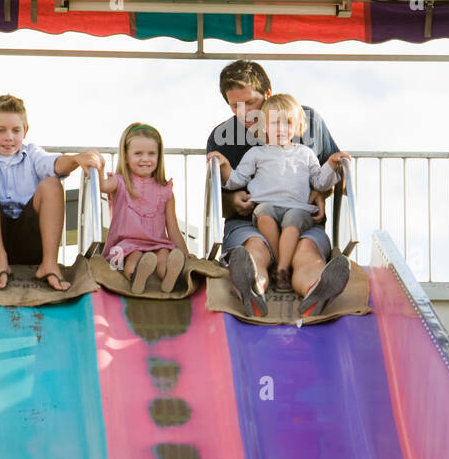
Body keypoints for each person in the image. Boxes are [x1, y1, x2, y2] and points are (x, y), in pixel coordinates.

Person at [205, 60, 352, 318]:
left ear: (268, 94)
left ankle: (316, 289)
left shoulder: (308, 121)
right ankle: (253, 287)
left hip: (301, 218)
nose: (244, 112)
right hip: (251, 221)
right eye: (235, 105)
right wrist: (233, 201)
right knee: (254, 250)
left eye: (250, 102)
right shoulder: (221, 136)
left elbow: (334, 176)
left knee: (306, 254)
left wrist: (321, 192)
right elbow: (218, 195)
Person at [0, 94, 103, 292]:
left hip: (27, 244)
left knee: (52, 184)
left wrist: (76, 159)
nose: (9, 136)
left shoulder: (33, 154)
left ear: (25, 131)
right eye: (1, 130)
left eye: (15, 130)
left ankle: (49, 264)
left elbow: (53, 164)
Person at [101, 123, 189, 295]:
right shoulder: (120, 183)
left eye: (151, 154)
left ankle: (169, 279)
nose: (145, 159)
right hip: (126, 245)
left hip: (157, 244)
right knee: (134, 256)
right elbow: (102, 186)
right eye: (138, 154)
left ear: (159, 156)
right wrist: (97, 166)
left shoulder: (165, 190)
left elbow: (173, 229)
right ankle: (137, 276)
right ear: (126, 156)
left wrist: (185, 253)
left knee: (164, 254)